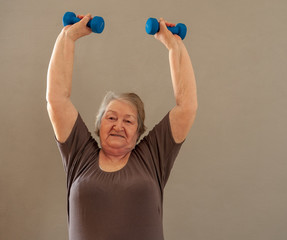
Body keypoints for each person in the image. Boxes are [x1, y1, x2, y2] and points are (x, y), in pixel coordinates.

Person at [46, 14, 197, 240]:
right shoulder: (79, 154)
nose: (118, 125)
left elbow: (186, 107)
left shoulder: (152, 156)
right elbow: (57, 100)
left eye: (128, 121)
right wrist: (67, 37)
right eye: (111, 118)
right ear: (99, 125)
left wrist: (174, 46)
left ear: (138, 132)